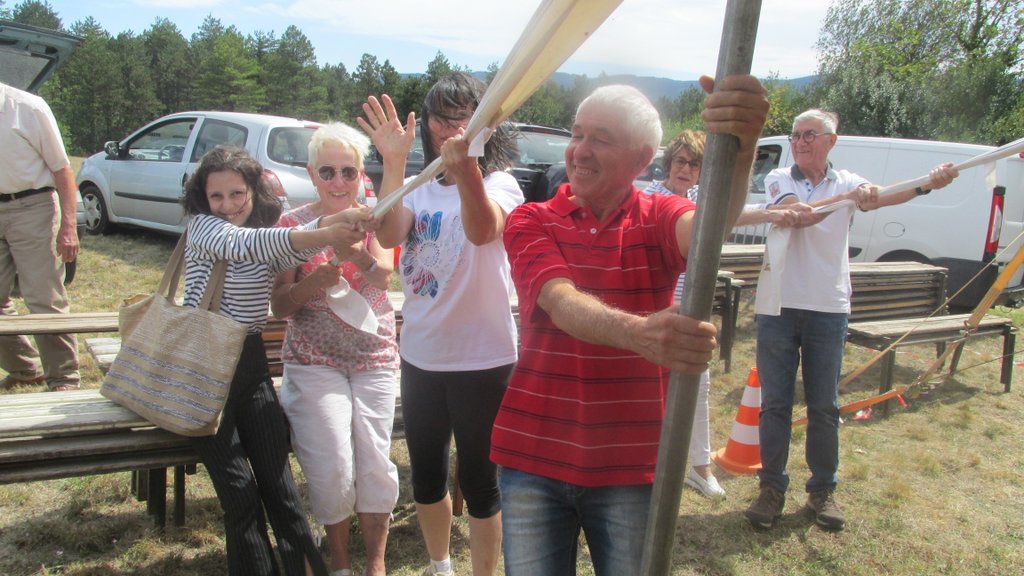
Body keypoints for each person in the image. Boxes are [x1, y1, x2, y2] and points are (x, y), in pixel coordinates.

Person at [491, 76, 773, 575]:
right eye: (577, 134)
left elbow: (708, 232)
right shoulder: (531, 219)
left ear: (641, 160)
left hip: (633, 464)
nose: (580, 150)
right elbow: (559, 301)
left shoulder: (660, 214)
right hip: (533, 457)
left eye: (600, 138)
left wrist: (742, 146)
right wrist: (639, 335)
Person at [744, 109, 959, 532]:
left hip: (828, 308)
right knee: (775, 405)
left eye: (810, 134)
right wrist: (849, 199)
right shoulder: (780, 179)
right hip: (778, 307)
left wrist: (926, 184)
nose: (800, 142)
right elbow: (800, 214)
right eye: (795, 135)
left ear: (831, 140)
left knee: (824, 405)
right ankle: (771, 489)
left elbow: (881, 196)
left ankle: (822, 490)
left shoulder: (847, 180)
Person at [356, 72, 524, 576]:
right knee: (427, 478)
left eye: (462, 118)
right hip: (422, 356)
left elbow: (482, 229)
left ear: (486, 124)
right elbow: (389, 234)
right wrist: (393, 162)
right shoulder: (419, 188)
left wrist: (466, 169)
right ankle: (440, 565)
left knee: (480, 482)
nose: (450, 128)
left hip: (484, 359)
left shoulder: (501, 184)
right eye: (440, 117)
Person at [181, 145, 372, 576]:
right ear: (202, 199)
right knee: (241, 496)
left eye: (237, 194)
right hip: (203, 370)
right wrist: (326, 228)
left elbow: (286, 251)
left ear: (253, 192)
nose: (227, 205)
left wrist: (341, 228)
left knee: (282, 489)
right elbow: (253, 244)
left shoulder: (264, 234)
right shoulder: (204, 228)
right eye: (216, 196)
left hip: (249, 366)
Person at [270, 123, 399, 576]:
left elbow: (383, 276)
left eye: (349, 171)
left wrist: (356, 251)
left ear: (362, 174)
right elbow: (280, 306)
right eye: (328, 172)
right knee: (333, 464)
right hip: (313, 361)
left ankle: (376, 564)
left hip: (372, 358)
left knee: (375, 462)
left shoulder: (376, 217)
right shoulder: (292, 226)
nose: (339, 182)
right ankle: (340, 561)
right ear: (312, 174)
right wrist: (312, 284)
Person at [643, 129, 798, 499]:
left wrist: (772, 213)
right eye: (680, 161)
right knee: (649, 391)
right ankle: (645, 469)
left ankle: (700, 468)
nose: (685, 170)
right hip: (655, 306)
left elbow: (731, 215)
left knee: (699, 385)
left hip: (692, 306)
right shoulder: (650, 196)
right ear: (669, 163)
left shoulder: (702, 197)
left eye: (694, 165)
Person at [0, 81, 80, 392]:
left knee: (43, 298)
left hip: (33, 207)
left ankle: (64, 378)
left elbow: (63, 170)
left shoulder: (28, 107)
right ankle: (25, 369)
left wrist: (69, 226)